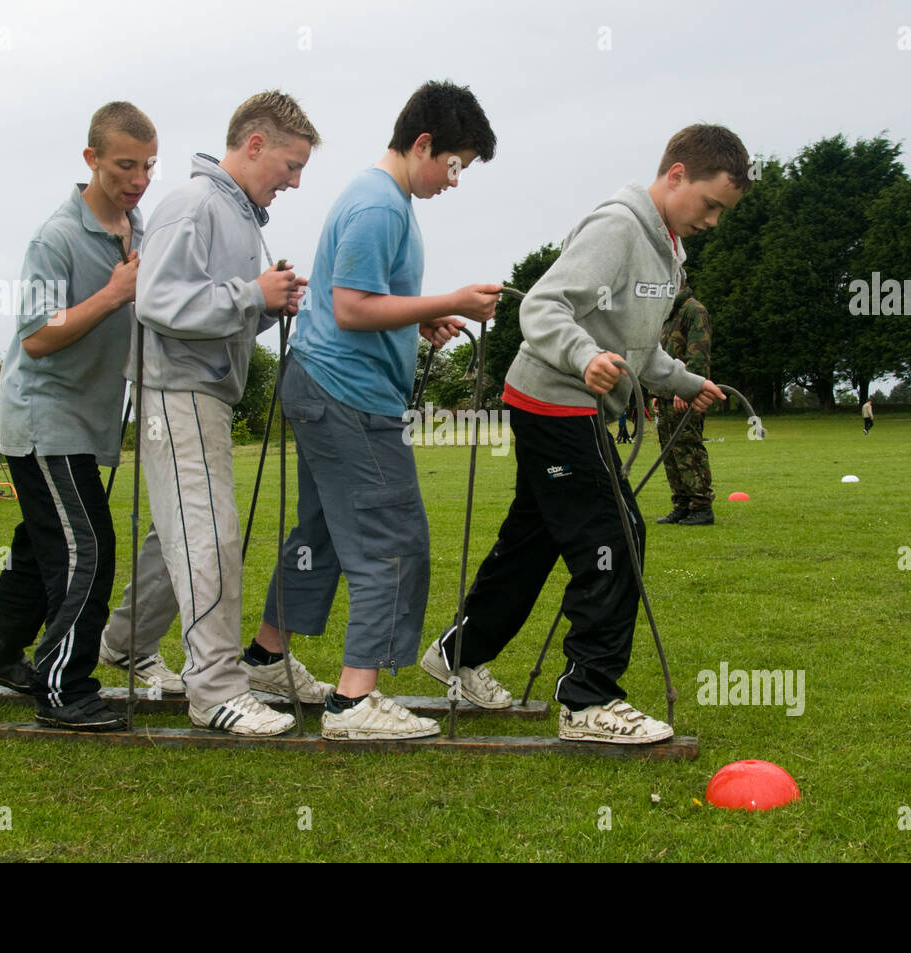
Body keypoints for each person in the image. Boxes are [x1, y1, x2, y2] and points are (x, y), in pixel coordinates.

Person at [425, 124, 749, 744]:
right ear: (676, 174)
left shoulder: (668, 249)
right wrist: (582, 357)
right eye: (710, 203)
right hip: (555, 401)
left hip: (573, 403)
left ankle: (457, 655)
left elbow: (638, 349)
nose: (713, 220)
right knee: (615, 535)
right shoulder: (619, 228)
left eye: (722, 211)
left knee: (534, 539)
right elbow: (542, 308)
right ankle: (588, 699)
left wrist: (681, 381)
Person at [257, 80, 500, 740]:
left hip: (325, 381)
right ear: (424, 144)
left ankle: (263, 656)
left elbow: (364, 301)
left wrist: (419, 320)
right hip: (347, 394)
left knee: (327, 532)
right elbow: (351, 307)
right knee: (393, 537)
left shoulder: (383, 200)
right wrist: (446, 298)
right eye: (455, 165)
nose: (455, 181)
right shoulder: (379, 206)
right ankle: (353, 702)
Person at [109, 90, 319, 735]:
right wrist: (251, 293)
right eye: (290, 164)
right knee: (210, 537)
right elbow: (157, 301)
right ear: (253, 145)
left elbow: (210, 315)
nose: (294, 180)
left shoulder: (234, 214)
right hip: (177, 394)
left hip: (196, 392)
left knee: (175, 537)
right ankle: (217, 690)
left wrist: (262, 305)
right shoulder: (195, 204)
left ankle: (122, 648)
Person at [0, 101, 158, 731]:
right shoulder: (56, 236)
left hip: (87, 423)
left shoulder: (138, 228)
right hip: (47, 422)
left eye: (149, 166)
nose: (138, 179)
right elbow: (37, 337)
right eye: (125, 165)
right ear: (91, 159)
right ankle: (64, 687)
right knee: (89, 550)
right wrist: (112, 293)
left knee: (38, 546)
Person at [654, 283, 715, 526]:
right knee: (670, 451)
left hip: (684, 393)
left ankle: (701, 505)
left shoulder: (694, 311)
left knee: (688, 448)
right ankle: (681, 504)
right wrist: (659, 390)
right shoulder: (667, 314)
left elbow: (698, 354)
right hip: (667, 393)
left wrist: (687, 388)